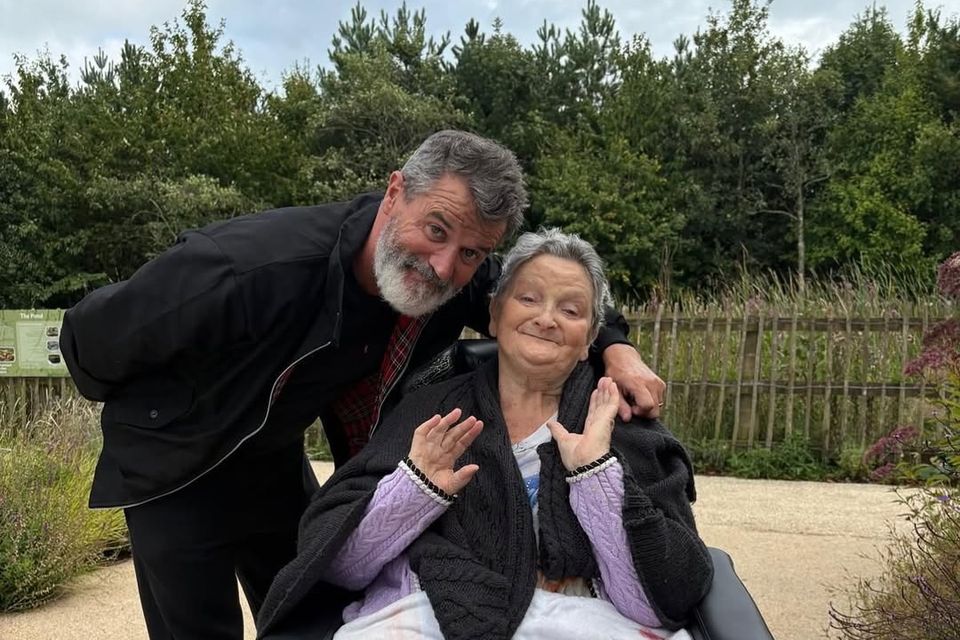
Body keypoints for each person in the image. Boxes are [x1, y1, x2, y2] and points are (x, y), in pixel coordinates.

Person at [59, 130, 667, 639]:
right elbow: (92, 341)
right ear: (396, 191)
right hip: (173, 463)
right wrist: (171, 413)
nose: (443, 266)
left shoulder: (453, 278)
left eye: (471, 252)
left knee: (308, 601)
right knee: (198, 628)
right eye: (436, 230)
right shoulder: (243, 269)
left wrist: (618, 349)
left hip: (270, 454)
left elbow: (539, 295)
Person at [256, 229, 713, 640]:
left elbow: (655, 602)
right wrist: (416, 488)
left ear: (590, 337)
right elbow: (342, 567)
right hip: (430, 612)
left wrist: (596, 475)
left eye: (570, 309)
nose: (546, 318)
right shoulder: (426, 410)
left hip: (583, 619)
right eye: (528, 299)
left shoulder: (624, 425)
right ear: (494, 316)